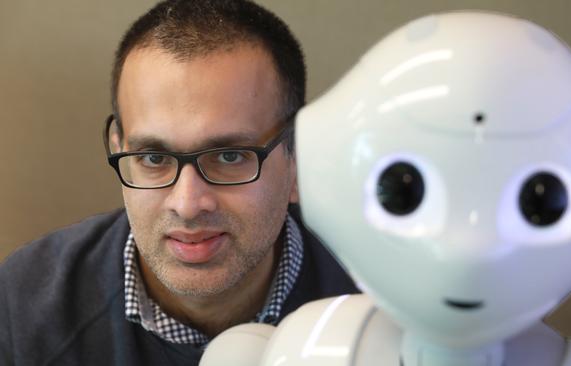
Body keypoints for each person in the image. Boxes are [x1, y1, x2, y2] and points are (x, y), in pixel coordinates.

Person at [0, 0, 357, 365]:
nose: (187, 204)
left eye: (229, 156)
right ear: (118, 148)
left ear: (298, 156)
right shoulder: (26, 307)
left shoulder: (381, 295)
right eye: (154, 158)